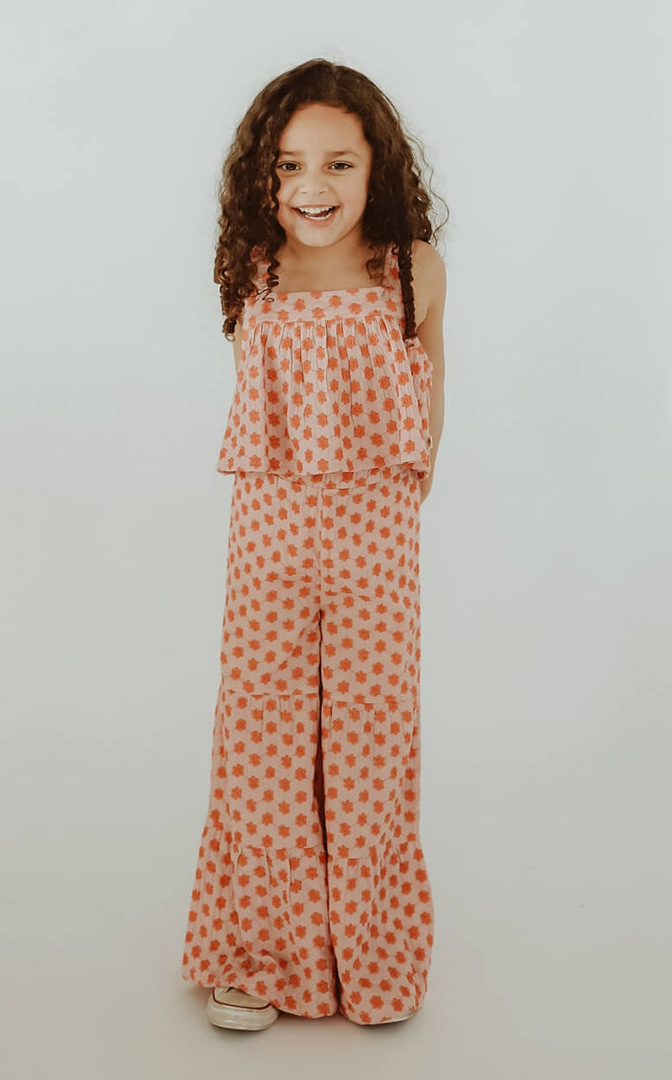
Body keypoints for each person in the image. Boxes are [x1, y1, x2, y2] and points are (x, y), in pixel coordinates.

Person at [180, 57, 448, 1031]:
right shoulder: (257, 269)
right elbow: (269, 405)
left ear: (379, 169)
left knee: (372, 728)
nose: (312, 188)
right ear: (263, 176)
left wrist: (403, 504)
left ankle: (368, 959)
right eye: (290, 166)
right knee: (263, 731)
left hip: (377, 534)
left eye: (339, 163)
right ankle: (263, 953)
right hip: (272, 537)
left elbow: (432, 390)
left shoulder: (412, 268)